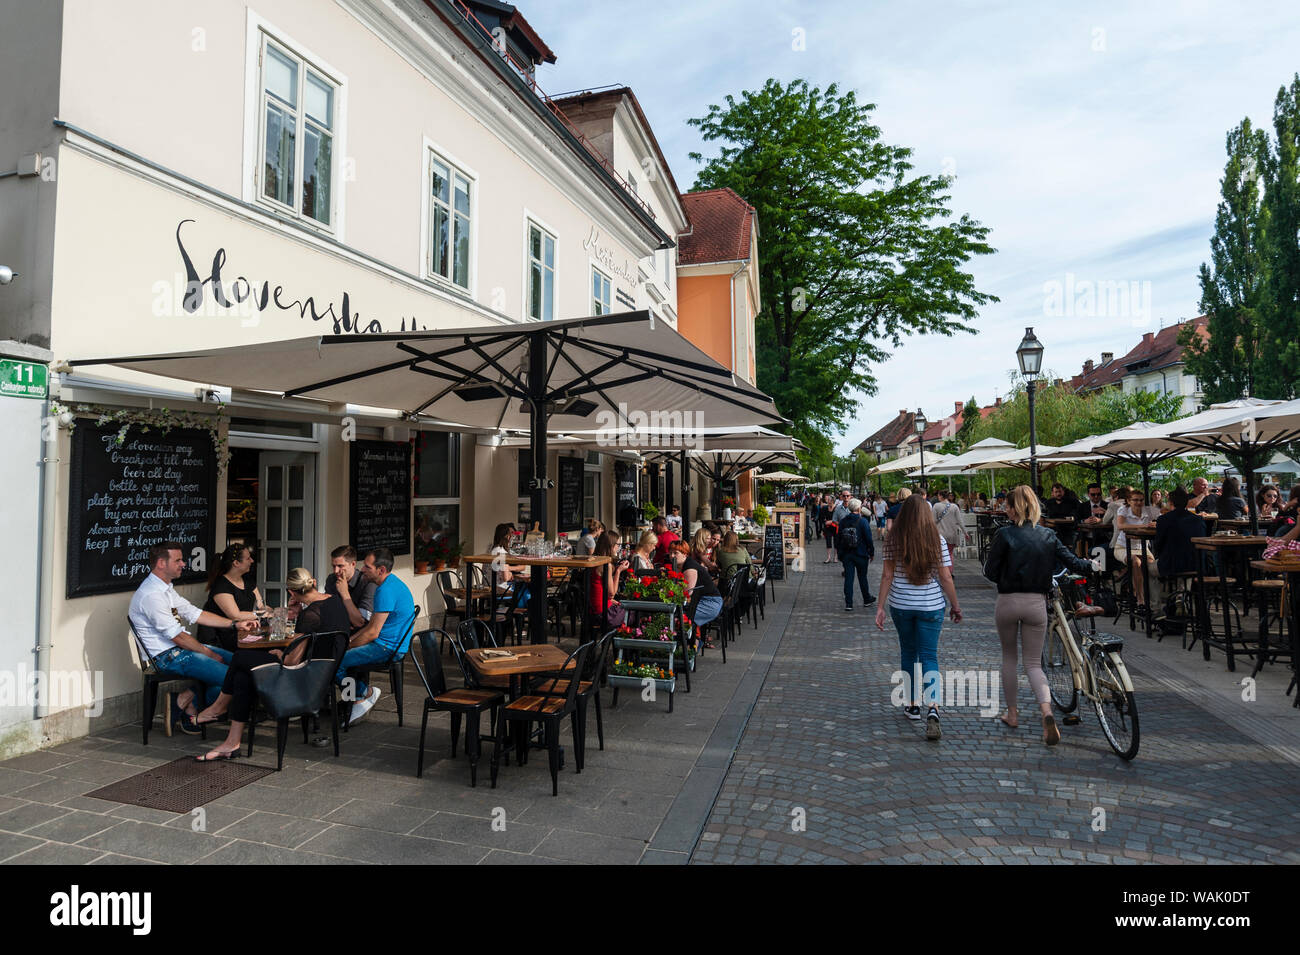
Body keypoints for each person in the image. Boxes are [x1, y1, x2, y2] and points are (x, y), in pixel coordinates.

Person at [193, 567, 352, 760]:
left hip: (305, 676)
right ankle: (231, 743)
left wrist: (279, 654)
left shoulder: (309, 615)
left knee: (241, 657)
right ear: (314, 583)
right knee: (244, 674)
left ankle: (219, 708)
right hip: (324, 673)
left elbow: (292, 660)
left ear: (292, 592)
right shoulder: (333, 601)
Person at [982, 486, 1096, 744]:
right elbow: (1073, 562)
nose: (1005, 509)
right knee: (1034, 664)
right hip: (1036, 603)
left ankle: (1012, 714)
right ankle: (1046, 711)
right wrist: (1092, 565)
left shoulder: (1004, 534)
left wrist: (1006, 574)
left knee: (1009, 658)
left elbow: (989, 572)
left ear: (1014, 509)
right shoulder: (1048, 535)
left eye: (1007, 506)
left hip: (1008, 602)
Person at [128, 542, 254, 733]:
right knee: (236, 679)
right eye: (178, 560)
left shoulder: (166, 588)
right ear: (161, 563)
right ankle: (191, 710)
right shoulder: (151, 595)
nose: (184, 564)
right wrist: (208, 653)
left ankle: (184, 699)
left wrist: (233, 624)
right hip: (167, 656)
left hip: (181, 649)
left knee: (242, 664)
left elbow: (196, 614)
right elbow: (177, 637)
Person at [875, 496, 962, 741]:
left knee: (908, 653)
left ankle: (912, 704)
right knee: (929, 657)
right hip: (930, 606)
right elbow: (945, 577)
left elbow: (886, 575)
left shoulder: (893, 539)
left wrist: (880, 607)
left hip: (901, 605)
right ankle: (933, 707)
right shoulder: (937, 540)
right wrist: (955, 605)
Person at [336, 548, 416, 724]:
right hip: (389, 644)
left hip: (388, 648)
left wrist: (349, 646)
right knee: (342, 654)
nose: (362, 569)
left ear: (381, 570)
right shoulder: (390, 584)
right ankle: (359, 696)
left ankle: (360, 697)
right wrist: (350, 641)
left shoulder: (385, 590)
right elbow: (372, 625)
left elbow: (373, 632)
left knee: (337, 662)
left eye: (367, 567)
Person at [199, 544, 267, 651]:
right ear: (236, 563)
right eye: (248, 558)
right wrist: (264, 614)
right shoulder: (221, 585)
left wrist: (275, 612)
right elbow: (236, 616)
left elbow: (260, 605)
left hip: (247, 631)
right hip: (226, 637)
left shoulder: (248, 581)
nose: (252, 561)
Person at [1115, 488, 1161, 613]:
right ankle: (1140, 599)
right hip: (1123, 547)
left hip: (1142, 547)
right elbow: (1121, 525)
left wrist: (1157, 523)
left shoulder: (1148, 511)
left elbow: (1163, 516)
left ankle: (1155, 604)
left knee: (1152, 566)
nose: (1138, 503)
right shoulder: (1123, 510)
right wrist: (1144, 525)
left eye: (1141, 500)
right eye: (1135, 500)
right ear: (1129, 501)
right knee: (1136, 562)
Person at [669, 539, 723, 640]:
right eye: (670, 553)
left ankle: (690, 648)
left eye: (675, 553)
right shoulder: (679, 565)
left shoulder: (690, 568)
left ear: (685, 554)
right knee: (676, 616)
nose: (672, 556)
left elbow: (687, 593)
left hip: (709, 604)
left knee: (677, 618)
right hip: (699, 601)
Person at [1153, 486, 1207, 578]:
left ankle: (1152, 593)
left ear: (1171, 502)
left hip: (1171, 565)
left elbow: (1158, 545)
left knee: (1145, 568)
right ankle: (1183, 591)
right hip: (1197, 565)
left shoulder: (1163, 519)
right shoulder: (1198, 519)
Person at [836, 498, 876, 610]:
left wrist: (839, 553)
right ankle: (866, 599)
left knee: (848, 578)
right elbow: (869, 539)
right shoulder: (863, 521)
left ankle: (849, 603)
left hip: (847, 554)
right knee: (862, 577)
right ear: (859, 508)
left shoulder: (843, 521)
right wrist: (871, 552)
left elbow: (838, 538)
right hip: (861, 554)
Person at [325, 545, 376, 631]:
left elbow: (360, 622)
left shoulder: (368, 583)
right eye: (333, 566)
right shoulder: (331, 579)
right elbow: (328, 611)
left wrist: (344, 593)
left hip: (360, 635)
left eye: (340, 566)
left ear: (353, 564)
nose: (335, 571)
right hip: (338, 630)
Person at [590, 531, 630, 632]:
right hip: (604, 613)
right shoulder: (606, 565)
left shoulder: (593, 560)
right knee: (635, 613)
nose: (618, 547)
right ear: (611, 545)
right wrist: (618, 571)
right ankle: (624, 645)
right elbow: (611, 594)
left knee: (627, 608)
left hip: (593, 610)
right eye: (618, 544)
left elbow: (600, 590)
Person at [932, 489, 965, 558]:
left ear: (940, 496)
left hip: (940, 535)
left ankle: (944, 568)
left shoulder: (936, 506)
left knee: (941, 556)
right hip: (952, 534)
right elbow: (960, 521)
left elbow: (933, 521)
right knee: (950, 554)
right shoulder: (954, 506)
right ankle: (950, 569)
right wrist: (965, 532)